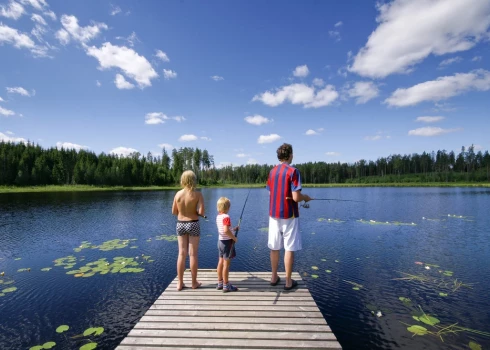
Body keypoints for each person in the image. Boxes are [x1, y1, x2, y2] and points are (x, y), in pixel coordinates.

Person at [266, 143, 311, 290]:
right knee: (289, 248)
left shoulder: (272, 172)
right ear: (290, 155)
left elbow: (270, 192)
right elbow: (296, 197)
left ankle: (274, 277)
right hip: (289, 215)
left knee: (274, 247)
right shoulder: (293, 171)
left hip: (273, 215)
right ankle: (288, 282)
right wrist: (305, 197)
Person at [172, 170, 205, 291]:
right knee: (193, 254)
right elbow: (201, 212)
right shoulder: (198, 195)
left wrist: (183, 212)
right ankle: (194, 283)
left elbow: (174, 212)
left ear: (183, 180)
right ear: (193, 180)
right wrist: (195, 212)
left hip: (180, 224)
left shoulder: (178, 194)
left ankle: (179, 283)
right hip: (193, 224)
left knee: (181, 253)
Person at [215, 197, 239, 293]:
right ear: (227, 207)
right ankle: (226, 285)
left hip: (220, 242)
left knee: (220, 262)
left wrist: (234, 229)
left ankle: (220, 283)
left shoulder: (218, 217)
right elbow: (225, 230)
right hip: (227, 243)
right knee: (226, 265)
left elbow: (225, 229)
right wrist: (234, 238)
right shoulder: (226, 217)